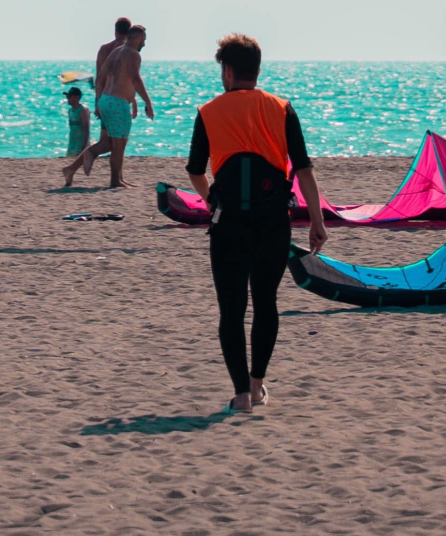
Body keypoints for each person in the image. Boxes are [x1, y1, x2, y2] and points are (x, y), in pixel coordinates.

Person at [186, 32, 326, 414]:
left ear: (227, 71)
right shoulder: (282, 108)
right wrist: (316, 220)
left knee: (230, 309)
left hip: (229, 224)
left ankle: (240, 396)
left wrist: (210, 196)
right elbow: (303, 170)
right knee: (266, 304)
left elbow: (196, 171)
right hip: (272, 224)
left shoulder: (208, 111)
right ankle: (258, 384)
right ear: (257, 69)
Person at [87, 22, 155, 188]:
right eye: (144, 40)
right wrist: (148, 102)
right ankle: (114, 181)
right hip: (118, 103)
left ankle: (119, 178)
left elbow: (100, 77)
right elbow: (136, 79)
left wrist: (98, 100)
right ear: (138, 38)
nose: (145, 44)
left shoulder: (117, 51)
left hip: (106, 100)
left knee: (119, 143)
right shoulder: (133, 54)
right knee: (118, 145)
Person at [61, 85, 93, 187]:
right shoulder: (70, 110)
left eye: (69, 97)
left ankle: (70, 177)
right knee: (71, 159)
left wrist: (84, 145)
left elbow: (86, 129)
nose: (67, 99)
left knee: (82, 161)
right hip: (73, 141)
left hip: (81, 141)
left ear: (77, 97)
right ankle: (69, 179)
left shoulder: (83, 110)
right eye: (67, 97)